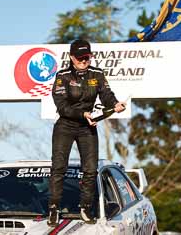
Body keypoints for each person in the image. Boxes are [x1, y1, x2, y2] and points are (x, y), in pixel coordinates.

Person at [47, 39, 126, 226]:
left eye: (87, 57)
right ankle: (53, 208)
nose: (84, 61)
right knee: (59, 167)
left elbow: (106, 94)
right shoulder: (63, 76)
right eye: (80, 58)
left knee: (90, 169)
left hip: (87, 126)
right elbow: (61, 106)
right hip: (66, 125)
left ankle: (85, 208)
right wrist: (82, 114)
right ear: (72, 57)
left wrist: (114, 104)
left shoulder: (97, 74)